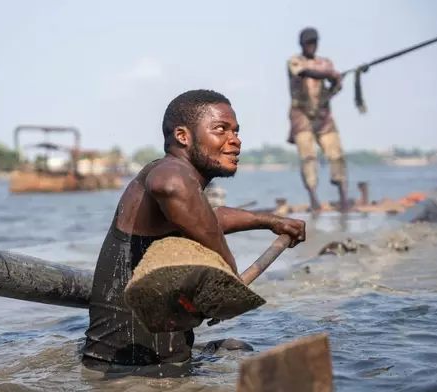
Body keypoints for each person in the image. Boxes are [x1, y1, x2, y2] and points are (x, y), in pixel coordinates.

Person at [82, 89, 306, 373]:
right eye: (220, 130)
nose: (234, 140)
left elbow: (208, 219)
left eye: (236, 131)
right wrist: (229, 274)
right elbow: (171, 186)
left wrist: (272, 221)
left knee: (237, 348)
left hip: (167, 365)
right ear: (183, 136)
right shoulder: (170, 170)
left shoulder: (186, 194)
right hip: (126, 373)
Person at [286, 27, 348, 213]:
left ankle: (343, 197)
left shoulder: (325, 63)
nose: (311, 46)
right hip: (301, 115)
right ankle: (314, 198)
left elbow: (334, 86)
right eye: (308, 43)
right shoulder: (295, 61)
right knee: (308, 157)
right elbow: (305, 73)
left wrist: (336, 79)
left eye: (314, 42)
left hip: (323, 116)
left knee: (336, 154)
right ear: (302, 44)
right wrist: (329, 74)